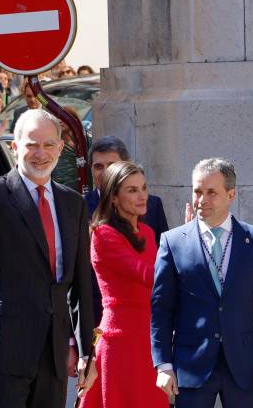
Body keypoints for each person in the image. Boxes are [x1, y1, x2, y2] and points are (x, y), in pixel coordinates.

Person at [0, 94, 97, 408]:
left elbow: (79, 285)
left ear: (61, 148)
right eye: (32, 144)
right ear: (15, 148)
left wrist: (87, 350)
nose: (40, 153)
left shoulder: (72, 204)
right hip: (4, 351)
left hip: (53, 354)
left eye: (48, 145)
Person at [151, 158, 253, 408]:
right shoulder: (173, 242)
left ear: (231, 194)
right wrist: (163, 365)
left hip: (245, 367)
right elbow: (161, 310)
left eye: (211, 193)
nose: (202, 200)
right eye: (198, 192)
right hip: (191, 366)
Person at [78, 161, 169, 408]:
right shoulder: (102, 234)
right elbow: (147, 274)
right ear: (114, 198)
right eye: (132, 190)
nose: (142, 196)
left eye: (143, 188)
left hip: (149, 341)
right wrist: (187, 250)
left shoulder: (148, 233)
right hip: (121, 343)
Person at [84, 136, 169, 326]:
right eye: (98, 166)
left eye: (111, 165)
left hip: (149, 322)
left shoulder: (148, 221)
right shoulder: (90, 220)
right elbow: (149, 274)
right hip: (109, 319)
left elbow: (163, 259)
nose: (106, 173)